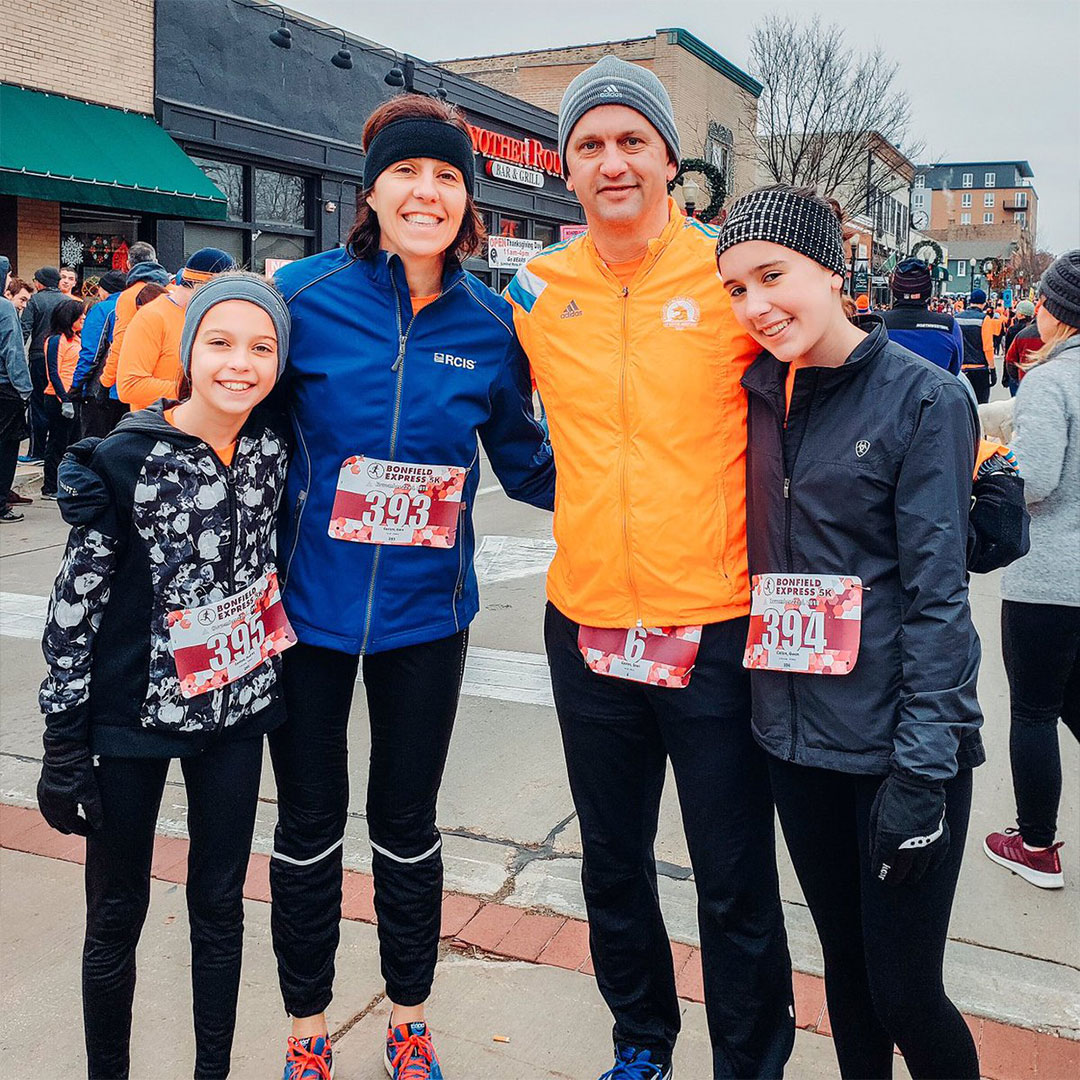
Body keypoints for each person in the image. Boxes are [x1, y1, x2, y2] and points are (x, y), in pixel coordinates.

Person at [506, 56, 794, 1080]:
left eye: (633, 140)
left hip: (714, 626)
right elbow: (503, 418)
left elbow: (835, 375)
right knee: (614, 864)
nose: (612, 160)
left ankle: (749, 1060)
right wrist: (575, 496)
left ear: (672, 159)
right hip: (588, 624)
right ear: (565, 169)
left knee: (730, 875)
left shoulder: (731, 272)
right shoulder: (535, 288)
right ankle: (641, 1040)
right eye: (590, 144)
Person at [271, 93, 554, 1080]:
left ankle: (407, 1016)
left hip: (425, 621)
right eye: (407, 173)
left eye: (445, 177)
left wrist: (666, 473)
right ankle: (308, 1028)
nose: (425, 192)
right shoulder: (300, 298)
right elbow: (226, 427)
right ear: (373, 190)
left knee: (404, 823)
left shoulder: (491, 324)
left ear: (468, 202)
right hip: (304, 613)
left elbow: (530, 463)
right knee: (306, 823)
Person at [716, 185, 983, 1080]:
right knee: (847, 975)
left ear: (834, 272)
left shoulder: (925, 398)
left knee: (906, 990)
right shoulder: (752, 393)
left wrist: (923, 769)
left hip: (897, 752)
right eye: (735, 290)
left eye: (771, 277)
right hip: (795, 743)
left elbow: (941, 601)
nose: (755, 306)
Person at [36, 272, 293, 1079]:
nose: (239, 364)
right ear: (189, 352)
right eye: (219, 343)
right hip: (130, 720)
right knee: (117, 914)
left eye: (261, 347)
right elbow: (74, 607)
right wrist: (62, 741)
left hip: (236, 714)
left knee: (220, 910)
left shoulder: (273, 449)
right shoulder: (122, 457)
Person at [985, 250, 1080, 890]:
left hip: (1049, 576)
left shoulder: (1052, 380)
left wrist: (993, 462)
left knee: (1036, 711)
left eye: (1043, 300)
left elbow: (1037, 477)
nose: (1035, 309)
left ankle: (1036, 845)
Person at [116, 248, 235, 411]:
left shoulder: (212, 315)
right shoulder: (152, 316)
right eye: (223, 293)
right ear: (202, 286)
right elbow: (129, 386)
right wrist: (196, 390)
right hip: (160, 427)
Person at [100, 241, 172, 393]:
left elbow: (120, 340)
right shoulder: (175, 291)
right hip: (174, 381)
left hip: (140, 379)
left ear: (127, 264)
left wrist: (106, 381)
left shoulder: (129, 296)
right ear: (156, 261)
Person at [70, 270, 130, 438]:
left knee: (94, 444)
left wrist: (76, 385)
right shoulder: (139, 307)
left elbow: (92, 352)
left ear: (105, 290)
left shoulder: (103, 309)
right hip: (131, 390)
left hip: (102, 389)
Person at [878, 259, 963, 373]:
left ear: (895, 290)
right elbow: (955, 370)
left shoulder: (877, 324)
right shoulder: (948, 326)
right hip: (935, 388)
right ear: (928, 291)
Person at [20, 266, 67, 462]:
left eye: (36, 279)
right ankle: (57, 452)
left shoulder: (36, 300)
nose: (34, 283)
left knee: (37, 404)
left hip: (40, 356)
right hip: (63, 357)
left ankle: (36, 451)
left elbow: (24, 329)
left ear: (42, 282)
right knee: (60, 403)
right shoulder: (67, 301)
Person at [41, 297, 86, 500]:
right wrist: (64, 399)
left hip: (74, 397)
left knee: (73, 442)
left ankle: (67, 484)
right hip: (58, 399)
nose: (83, 317)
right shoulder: (56, 340)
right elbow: (53, 372)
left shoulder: (76, 338)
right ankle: (50, 486)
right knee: (57, 444)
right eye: (80, 315)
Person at [0, 256, 32, 522]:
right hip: (4, 389)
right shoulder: (4, 308)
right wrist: (25, 389)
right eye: (9, 275)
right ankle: (1, 502)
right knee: (7, 447)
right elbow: (13, 351)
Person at [955, 288, 995, 402]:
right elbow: (988, 347)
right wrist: (992, 368)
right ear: (984, 303)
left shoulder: (957, 318)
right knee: (980, 405)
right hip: (979, 369)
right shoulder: (984, 319)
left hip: (960, 369)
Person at [1004, 303, 1043, 391]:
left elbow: (1009, 357)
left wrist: (1009, 376)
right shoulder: (1050, 332)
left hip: (1021, 376)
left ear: (1021, 314)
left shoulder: (1014, 331)